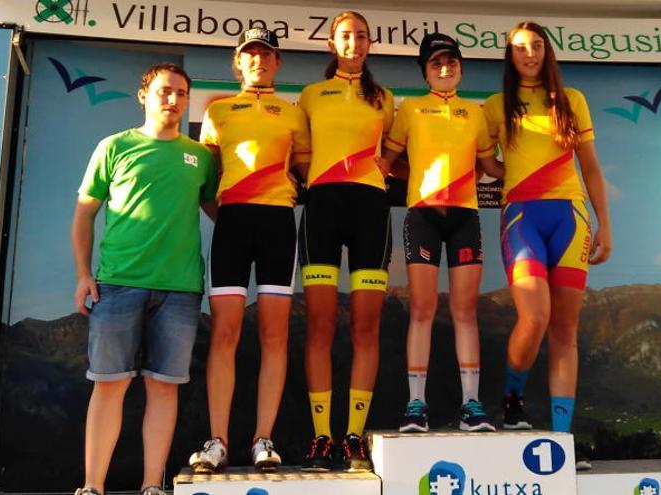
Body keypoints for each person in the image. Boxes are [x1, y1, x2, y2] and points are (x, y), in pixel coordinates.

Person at [71, 63, 217, 495]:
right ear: (144, 95)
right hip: (117, 283)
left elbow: (219, 211)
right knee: (109, 387)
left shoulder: (201, 157)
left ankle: (152, 486)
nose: (173, 99)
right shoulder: (114, 147)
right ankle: (92, 487)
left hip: (180, 290)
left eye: (181, 93)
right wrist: (83, 274)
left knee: (164, 389)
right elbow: (84, 213)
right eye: (164, 91)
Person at [482, 21, 612, 469]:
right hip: (522, 216)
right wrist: (512, 175)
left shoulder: (571, 99)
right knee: (534, 316)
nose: (530, 54)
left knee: (564, 330)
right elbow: (486, 163)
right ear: (510, 56)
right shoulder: (496, 106)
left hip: (571, 218)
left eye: (537, 46)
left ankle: (561, 439)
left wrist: (605, 224)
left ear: (547, 51)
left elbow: (591, 167)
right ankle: (512, 400)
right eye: (521, 48)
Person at [187, 28, 310, 473]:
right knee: (224, 334)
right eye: (250, 55)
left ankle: (263, 439)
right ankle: (217, 440)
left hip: (278, 223)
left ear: (277, 62)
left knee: (275, 336)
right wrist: (226, 218)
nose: (258, 61)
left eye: (266, 54)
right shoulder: (217, 111)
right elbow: (202, 177)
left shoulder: (293, 113)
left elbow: (310, 169)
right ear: (237, 63)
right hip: (233, 222)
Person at [379, 33, 499, 433]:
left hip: (465, 215)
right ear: (425, 71)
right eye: (436, 63)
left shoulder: (475, 112)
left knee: (465, 311)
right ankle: (417, 404)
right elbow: (389, 162)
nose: (445, 69)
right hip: (423, 216)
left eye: (451, 62)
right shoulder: (411, 108)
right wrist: (425, 181)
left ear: (461, 68)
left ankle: (471, 405)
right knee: (423, 310)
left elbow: (490, 166)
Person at [296, 10, 394, 472]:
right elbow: (298, 158)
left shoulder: (386, 98)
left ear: (369, 44)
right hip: (322, 211)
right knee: (319, 325)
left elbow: (394, 158)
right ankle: (322, 437)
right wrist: (320, 183)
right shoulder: (311, 95)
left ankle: (353, 437)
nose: (353, 43)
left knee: (365, 328)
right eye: (345, 37)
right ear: (332, 45)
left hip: (372, 211)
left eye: (360, 36)